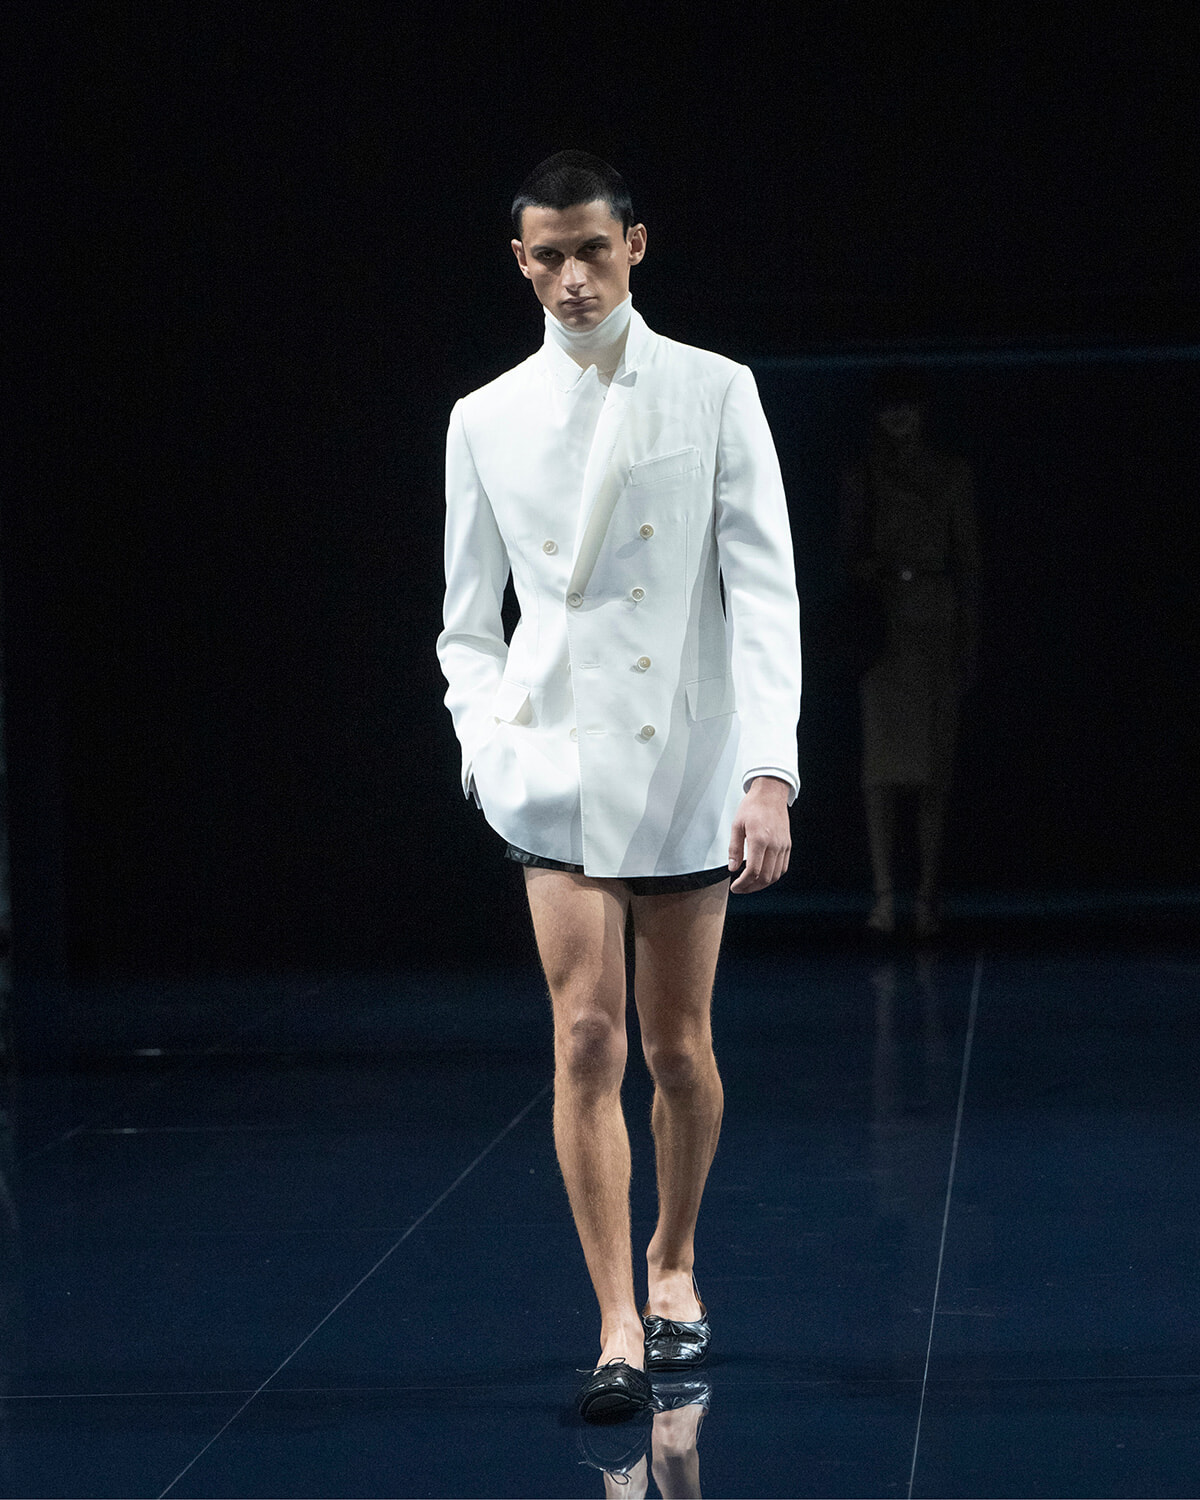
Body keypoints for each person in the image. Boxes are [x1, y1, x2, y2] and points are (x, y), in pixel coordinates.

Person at [437, 152, 801, 1420]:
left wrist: (770, 770)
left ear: (635, 245)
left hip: (688, 758)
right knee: (586, 1036)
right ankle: (613, 1326)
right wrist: (485, 743)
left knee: (681, 1050)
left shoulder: (714, 390)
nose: (574, 276)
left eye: (594, 249)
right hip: (555, 765)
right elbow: (463, 620)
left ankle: (676, 1256)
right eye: (549, 255)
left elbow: (762, 594)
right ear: (521, 262)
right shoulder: (483, 416)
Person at [840, 368, 980, 938]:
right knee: (881, 773)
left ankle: (925, 897)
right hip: (884, 627)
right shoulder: (863, 476)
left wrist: (968, 639)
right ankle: (883, 898)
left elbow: (968, 560)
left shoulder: (951, 475)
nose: (899, 419)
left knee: (933, 773)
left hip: (934, 621)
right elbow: (846, 556)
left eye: (908, 407)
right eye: (889, 408)